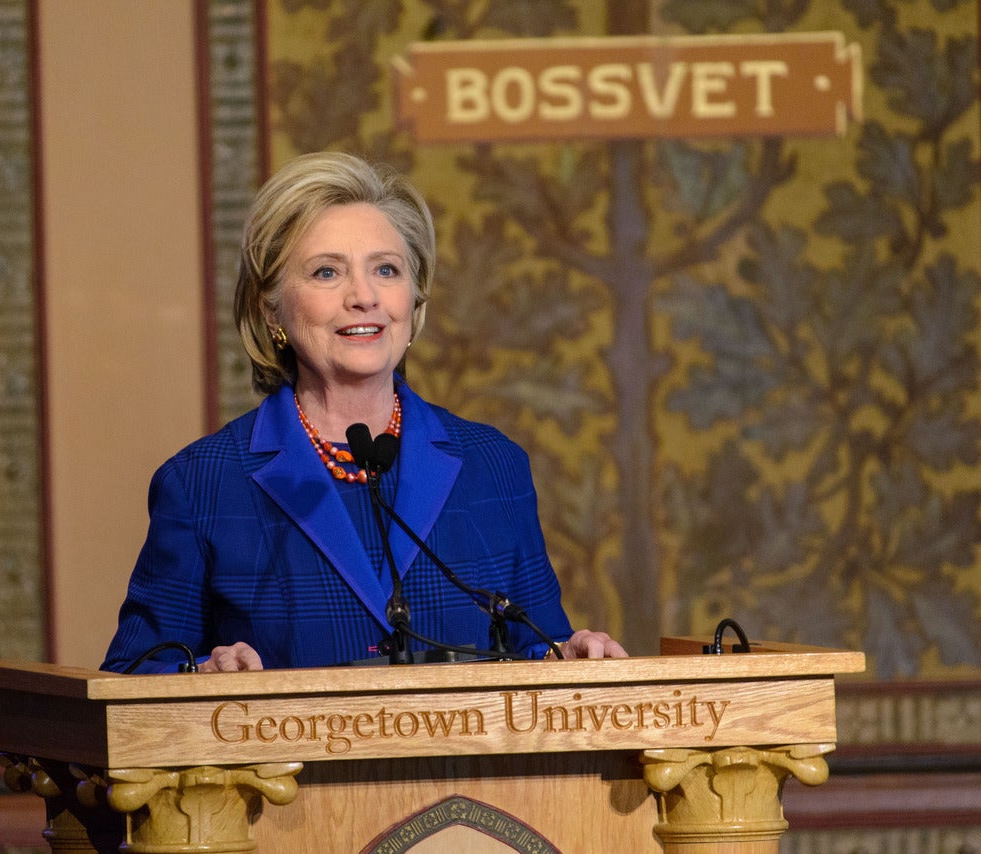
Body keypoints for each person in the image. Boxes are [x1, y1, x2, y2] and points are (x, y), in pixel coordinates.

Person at [102, 151, 627, 673]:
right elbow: (129, 679)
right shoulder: (202, 484)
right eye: (327, 272)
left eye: (386, 269)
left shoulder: (492, 465)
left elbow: (537, 644)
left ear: (413, 298)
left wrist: (569, 656)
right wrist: (199, 677)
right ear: (271, 308)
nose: (364, 297)